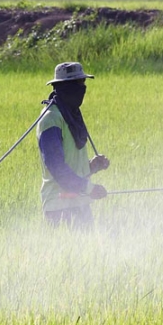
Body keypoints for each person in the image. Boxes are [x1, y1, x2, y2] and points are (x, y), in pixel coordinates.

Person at [36, 62, 110, 229]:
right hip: (60, 206)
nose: (82, 89)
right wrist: (90, 188)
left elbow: (73, 166)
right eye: (78, 85)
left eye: (83, 84)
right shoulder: (51, 119)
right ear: (65, 87)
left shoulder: (72, 115)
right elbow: (57, 167)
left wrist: (92, 167)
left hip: (80, 204)